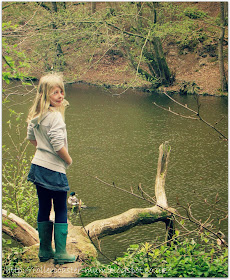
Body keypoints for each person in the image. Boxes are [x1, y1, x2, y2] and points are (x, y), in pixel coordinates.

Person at [26, 73, 76, 264]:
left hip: (38, 166)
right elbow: (57, 145)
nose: (60, 95)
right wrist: (69, 160)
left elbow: (32, 138)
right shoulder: (55, 117)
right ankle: (61, 253)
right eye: (55, 92)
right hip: (54, 170)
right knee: (61, 208)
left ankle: (45, 250)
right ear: (44, 96)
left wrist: (41, 150)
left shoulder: (37, 116)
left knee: (44, 206)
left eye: (61, 91)